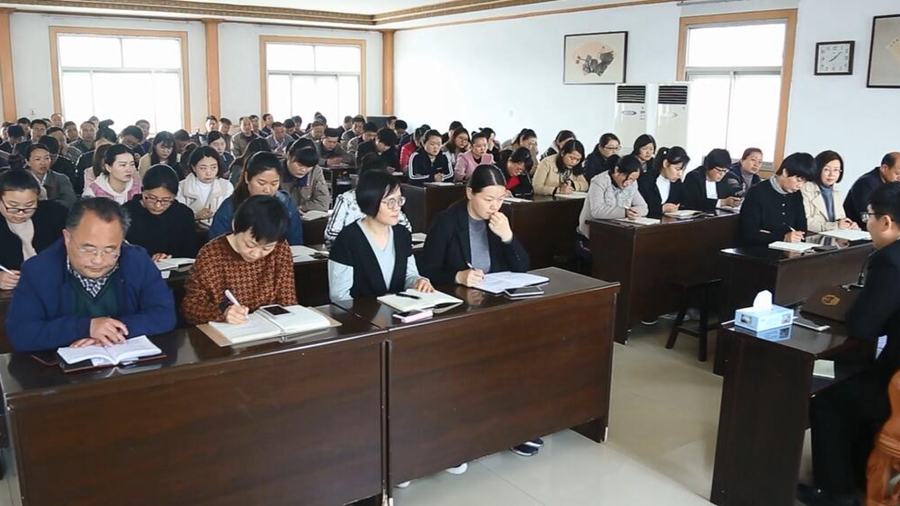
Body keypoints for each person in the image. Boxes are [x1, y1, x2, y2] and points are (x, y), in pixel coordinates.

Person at [798, 182, 900, 506]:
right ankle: (858, 474)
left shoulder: (890, 260)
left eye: (869, 217)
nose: (866, 224)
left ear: (886, 221)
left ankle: (835, 493)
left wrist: (858, 304)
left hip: (897, 382)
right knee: (858, 379)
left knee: (827, 400)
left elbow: (863, 326)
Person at [4, 197, 176, 352]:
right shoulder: (38, 270)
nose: (98, 260)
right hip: (60, 372)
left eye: (110, 250)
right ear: (67, 238)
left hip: (127, 365)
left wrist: (110, 332)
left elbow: (164, 315)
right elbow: (21, 334)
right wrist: (86, 328)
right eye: (88, 249)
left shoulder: (137, 261)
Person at [182, 195, 297, 325]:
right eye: (250, 245)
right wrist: (223, 313)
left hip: (272, 328)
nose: (256, 254)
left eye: (266, 248)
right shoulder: (211, 255)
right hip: (229, 330)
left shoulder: (280, 248)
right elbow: (190, 308)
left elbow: (288, 301)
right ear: (235, 225)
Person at [328, 171, 433, 302]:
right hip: (362, 314)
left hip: (400, 310)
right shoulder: (347, 239)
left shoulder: (402, 234)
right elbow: (340, 296)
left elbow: (410, 274)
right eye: (390, 202)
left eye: (399, 200)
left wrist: (418, 281)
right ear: (371, 201)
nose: (397, 207)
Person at [421, 164, 529, 287]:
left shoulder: (498, 220)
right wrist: (457, 277)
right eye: (488, 200)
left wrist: (508, 237)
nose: (495, 206)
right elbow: (427, 272)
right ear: (470, 193)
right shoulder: (446, 222)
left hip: (494, 292)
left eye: (500, 199)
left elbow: (521, 268)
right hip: (458, 294)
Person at [209, 151, 303, 245]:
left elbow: (295, 243)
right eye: (261, 183)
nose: (267, 190)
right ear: (247, 177)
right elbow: (216, 245)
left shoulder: (286, 204)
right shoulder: (229, 208)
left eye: (274, 184)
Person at [0, 169, 67, 290]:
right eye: (13, 206)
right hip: (13, 293)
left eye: (29, 206)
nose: (21, 213)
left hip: (55, 286)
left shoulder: (54, 214)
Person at [325, 155, 411, 247]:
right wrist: (364, 241)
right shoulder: (346, 199)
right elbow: (331, 233)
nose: (396, 207)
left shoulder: (391, 202)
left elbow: (406, 230)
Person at [575, 155, 650, 258]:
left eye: (634, 179)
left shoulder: (632, 184)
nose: (629, 183)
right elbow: (597, 211)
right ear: (617, 170)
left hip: (615, 236)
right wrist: (625, 212)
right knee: (613, 258)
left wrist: (634, 212)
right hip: (590, 237)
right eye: (629, 178)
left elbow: (644, 207)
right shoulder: (599, 181)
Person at [123, 165, 199, 261]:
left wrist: (169, 257)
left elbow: (190, 252)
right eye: (152, 198)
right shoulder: (125, 214)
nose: (158, 205)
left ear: (174, 196)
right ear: (142, 190)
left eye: (166, 200)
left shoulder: (183, 214)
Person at [738, 152, 814, 246]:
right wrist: (783, 237)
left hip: (790, 247)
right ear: (785, 172)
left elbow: (801, 226)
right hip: (758, 249)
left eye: (804, 182)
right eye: (798, 180)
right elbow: (749, 233)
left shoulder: (796, 194)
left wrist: (797, 236)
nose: (800, 185)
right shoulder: (757, 192)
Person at [801, 151, 859, 233]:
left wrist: (849, 225)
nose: (831, 174)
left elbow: (840, 218)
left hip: (832, 236)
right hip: (812, 236)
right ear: (818, 169)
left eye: (836, 170)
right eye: (826, 169)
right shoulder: (805, 189)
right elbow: (806, 223)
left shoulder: (836, 189)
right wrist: (835, 225)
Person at [177, 146, 233, 227]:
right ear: (193, 167)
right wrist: (195, 216)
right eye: (203, 168)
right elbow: (178, 216)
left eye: (213, 167)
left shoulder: (226, 186)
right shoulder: (181, 187)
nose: (209, 173)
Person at [844, 152, 900, 228]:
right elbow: (866, 217)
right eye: (897, 173)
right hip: (858, 229)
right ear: (884, 168)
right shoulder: (866, 183)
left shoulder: (893, 184)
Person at [638, 146, 689, 219]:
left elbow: (685, 202)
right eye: (677, 169)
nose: (680, 174)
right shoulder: (645, 180)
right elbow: (639, 207)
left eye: (683, 170)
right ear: (665, 163)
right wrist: (661, 209)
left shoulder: (677, 183)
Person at [282, 140, 331, 212]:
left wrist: (301, 208)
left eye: (309, 166)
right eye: (300, 165)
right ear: (288, 155)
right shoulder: (275, 170)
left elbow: (323, 203)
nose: (303, 170)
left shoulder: (315, 170)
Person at [25, 143, 76, 208]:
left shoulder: (61, 179)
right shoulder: (19, 179)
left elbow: (70, 202)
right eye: (38, 159)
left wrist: (46, 201)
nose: (43, 163)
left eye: (46, 158)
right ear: (27, 162)